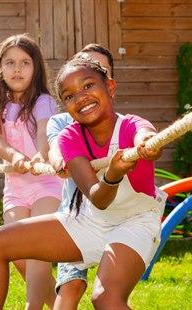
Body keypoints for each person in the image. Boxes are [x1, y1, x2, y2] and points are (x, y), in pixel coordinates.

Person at [0, 56, 167, 309]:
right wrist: (114, 172)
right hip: (90, 219)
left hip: (135, 222)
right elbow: (98, 198)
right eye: (69, 96)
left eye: (88, 86)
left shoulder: (132, 125)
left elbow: (148, 138)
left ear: (110, 87)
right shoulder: (70, 137)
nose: (81, 97)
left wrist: (147, 145)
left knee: (105, 298)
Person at [0, 33, 63, 309]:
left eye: (25, 63)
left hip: (46, 185)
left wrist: (40, 156)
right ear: (0, 68)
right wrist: (15, 156)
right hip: (15, 188)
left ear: (35, 68)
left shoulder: (43, 102)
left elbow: (43, 132)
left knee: (38, 251)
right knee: (18, 254)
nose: (17, 69)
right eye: (10, 62)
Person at [47, 44, 114, 310]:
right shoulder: (62, 122)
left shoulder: (117, 122)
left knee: (108, 295)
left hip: (113, 215)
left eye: (98, 71)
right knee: (70, 286)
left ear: (108, 83)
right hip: (76, 215)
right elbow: (54, 145)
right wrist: (58, 160)